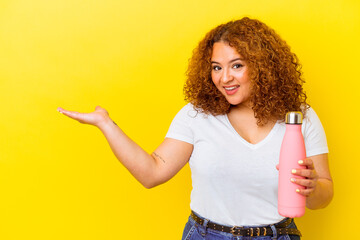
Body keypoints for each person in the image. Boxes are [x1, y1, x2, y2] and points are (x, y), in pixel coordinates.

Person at [57, 17, 333, 240]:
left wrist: (311, 189)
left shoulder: (300, 118)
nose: (224, 78)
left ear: (263, 67)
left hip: (277, 236)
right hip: (206, 235)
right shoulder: (197, 115)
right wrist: (106, 124)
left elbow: (324, 195)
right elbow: (152, 173)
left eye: (237, 65)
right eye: (216, 67)